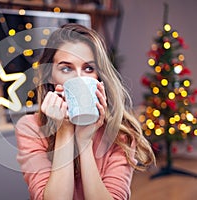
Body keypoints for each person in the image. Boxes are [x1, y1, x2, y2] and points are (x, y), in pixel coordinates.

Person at [15, 23, 155, 200]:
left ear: (99, 76)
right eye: (66, 68)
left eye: (89, 68)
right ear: (50, 75)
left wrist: (84, 141)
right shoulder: (30, 128)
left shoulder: (120, 132)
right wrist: (64, 130)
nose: (79, 79)